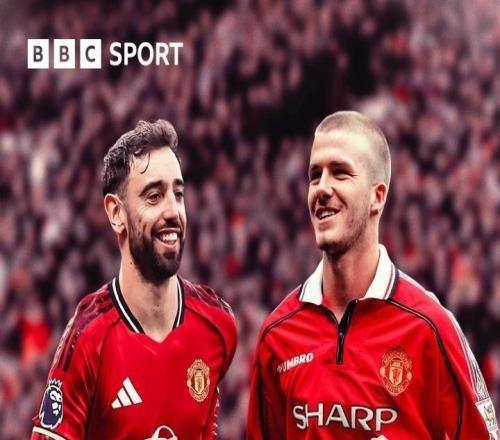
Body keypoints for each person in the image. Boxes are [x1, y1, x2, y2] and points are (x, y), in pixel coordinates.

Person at [247, 111, 499, 439]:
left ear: (377, 197)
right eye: (315, 175)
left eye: (340, 173)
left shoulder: (430, 328)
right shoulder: (277, 335)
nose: (321, 188)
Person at [31, 119, 237, 439]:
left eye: (178, 194)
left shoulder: (218, 325)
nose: (173, 211)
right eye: (154, 196)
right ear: (116, 213)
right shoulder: (88, 339)